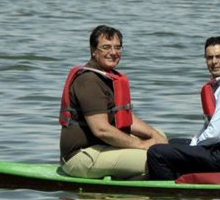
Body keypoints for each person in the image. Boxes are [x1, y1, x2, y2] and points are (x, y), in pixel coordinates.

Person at [145, 36, 220, 180]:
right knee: (170, 142)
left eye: (219, 57)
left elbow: (216, 134)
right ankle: (177, 176)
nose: (214, 62)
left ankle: (171, 189)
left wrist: (193, 145)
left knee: (157, 152)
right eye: (209, 57)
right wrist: (193, 142)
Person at [59, 24, 167, 178]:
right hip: (81, 156)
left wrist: (154, 135)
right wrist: (141, 145)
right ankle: (129, 187)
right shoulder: (88, 81)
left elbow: (125, 118)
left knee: (159, 137)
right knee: (157, 158)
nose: (113, 52)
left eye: (117, 47)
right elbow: (101, 129)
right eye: (106, 47)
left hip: (101, 146)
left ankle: (130, 175)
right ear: (93, 50)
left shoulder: (106, 77)